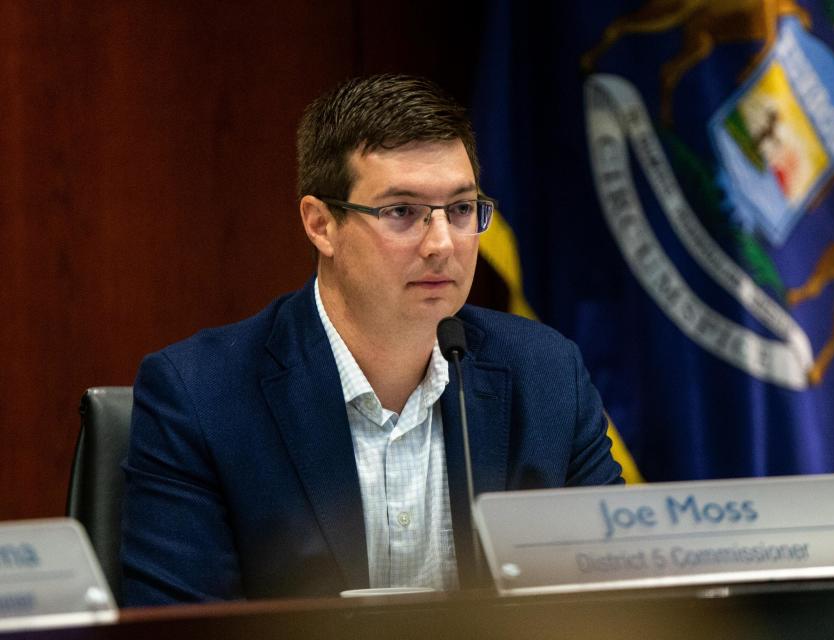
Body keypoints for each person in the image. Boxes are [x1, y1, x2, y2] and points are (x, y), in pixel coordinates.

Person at [121, 74, 623, 605]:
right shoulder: (201, 396)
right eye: (402, 212)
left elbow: (619, 601)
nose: (441, 244)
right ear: (321, 225)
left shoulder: (546, 376)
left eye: (460, 209)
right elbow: (179, 627)